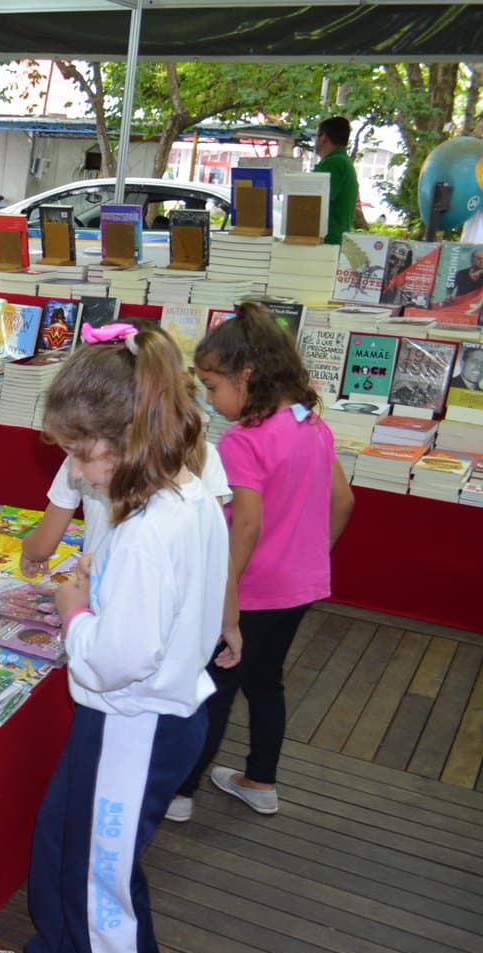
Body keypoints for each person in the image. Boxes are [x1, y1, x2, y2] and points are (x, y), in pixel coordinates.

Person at [0, 320, 227, 953]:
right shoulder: (178, 492)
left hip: (137, 722)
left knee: (105, 884)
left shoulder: (152, 526)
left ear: (133, 437)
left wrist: (75, 611)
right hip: (127, 719)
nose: (81, 475)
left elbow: (114, 659)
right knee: (60, 837)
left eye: (86, 457)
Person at [172, 304, 355, 820]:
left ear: (246, 376)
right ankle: (260, 780)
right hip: (301, 586)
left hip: (250, 590)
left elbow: (246, 524)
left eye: (212, 386)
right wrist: (310, 558)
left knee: (215, 690)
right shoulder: (309, 423)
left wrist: (225, 602)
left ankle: (180, 793)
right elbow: (344, 501)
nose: (208, 401)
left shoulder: (243, 441)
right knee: (266, 680)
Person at [22, 324, 233, 565]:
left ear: (125, 438)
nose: (75, 470)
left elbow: (43, 547)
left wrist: (75, 602)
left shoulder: (135, 538)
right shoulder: (200, 492)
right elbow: (218, 569)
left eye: (77, 454)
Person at [313, 116, 359, 246]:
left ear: (323, 138)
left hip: (326, 242)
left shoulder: (333, 163)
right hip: (335, 241)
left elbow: (315, 203)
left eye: (316, 136)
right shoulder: (343, 161)